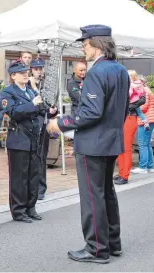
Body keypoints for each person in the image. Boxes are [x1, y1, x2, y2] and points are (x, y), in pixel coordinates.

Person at [47, 24, 129, 263]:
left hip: (93, 143)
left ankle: (96, 249)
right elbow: (122, 109)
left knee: (93, 196)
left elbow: (91, 112)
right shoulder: (120, 70)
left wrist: (61, 123)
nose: (84, 50)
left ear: (97, 44)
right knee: (107, 194)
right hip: (112, 141)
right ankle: (113, 243)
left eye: (85, 45)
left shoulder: (97, 71)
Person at [2, 61, 57, 223]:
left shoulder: (31, 92)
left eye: (26, 72)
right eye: (22, 72)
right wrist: (32, 105)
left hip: (34, 139)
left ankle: (30, 207)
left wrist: (50, 111)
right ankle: (18, 211)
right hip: (19, 139)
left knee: (33, 175)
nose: (26, 74)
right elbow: (13, 112)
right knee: (19, 177)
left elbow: (41, 109)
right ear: (13, 76)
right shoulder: (8, 92)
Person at [28, 57, 50, 200]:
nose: (39, 72)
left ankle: (41, 188)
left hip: (43, 123)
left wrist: (36, 89)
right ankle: (31, 187)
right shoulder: (27, 85)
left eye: (40, 69)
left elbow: (46, 104)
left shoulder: (46, 85)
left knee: (41, 157)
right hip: (31, 124)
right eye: (36, 69)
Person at [131, 75, 154, 174]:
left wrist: (134, 106)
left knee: (143, 144)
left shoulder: (144, 91)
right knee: (147, 144)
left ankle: (143, 167)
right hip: (152, 119)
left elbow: (144, 106)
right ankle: (150, 166)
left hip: (146, 120)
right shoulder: (148, 90)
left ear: (141, 82)